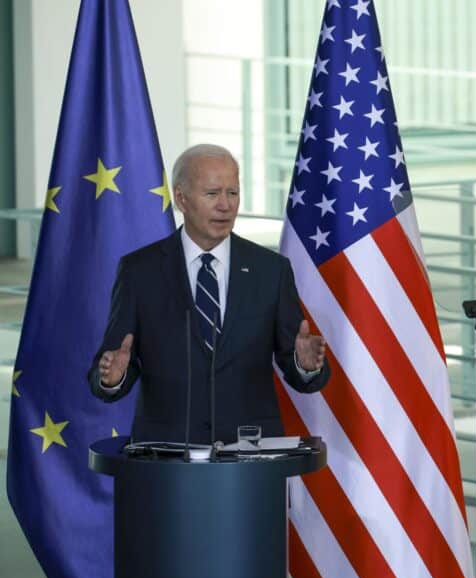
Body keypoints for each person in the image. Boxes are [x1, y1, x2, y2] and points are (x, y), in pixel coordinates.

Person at [87, 144, 330, 444]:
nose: (225, 206)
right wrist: (113, 377)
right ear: (181, 198)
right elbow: (112, 365)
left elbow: (297, 367)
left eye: (233, 193)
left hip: (249, 455)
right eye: (212, 194)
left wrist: (304, 364)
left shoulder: (271, 270)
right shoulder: (139, 271)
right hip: (167, 455)